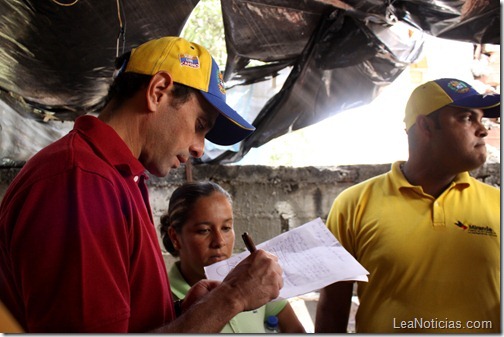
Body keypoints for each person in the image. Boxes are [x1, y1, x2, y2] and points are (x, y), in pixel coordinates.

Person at [0, 36, 284, 332]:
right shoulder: (82, 181)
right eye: (200, 126)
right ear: (158, 91)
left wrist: (182, 311)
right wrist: (232, 297)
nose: (200, 148)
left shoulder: (118, 177)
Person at [315, 78, 500, 333]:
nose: (483, 130)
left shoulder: (497, 205)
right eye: (467, 118)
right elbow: (332, 309)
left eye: (482, 120)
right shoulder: (353, 205)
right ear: (426, 126)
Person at [159, 181, 306, 333]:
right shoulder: (163, 300)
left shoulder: (253, 278)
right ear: (175, 238)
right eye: (204, 230)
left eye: (226, 228)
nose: (219, 241)